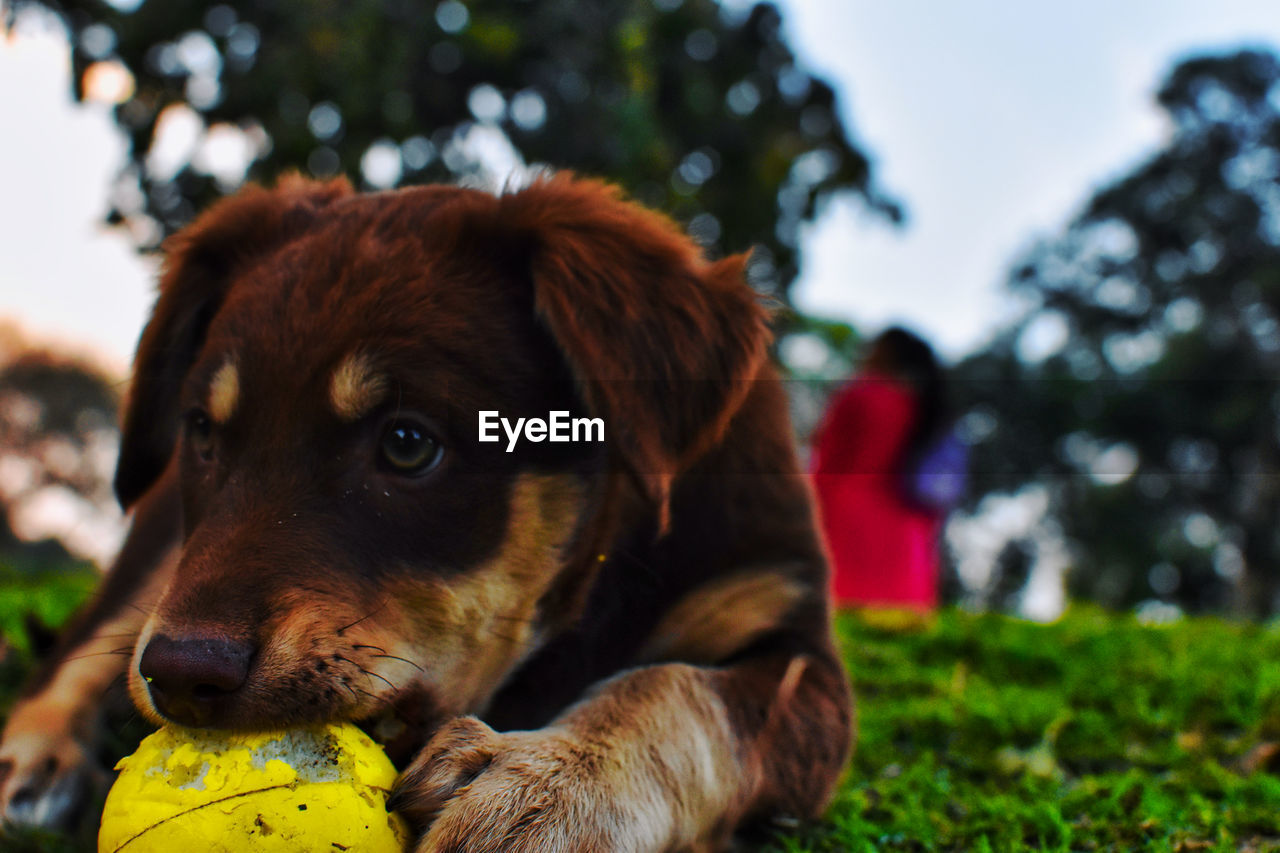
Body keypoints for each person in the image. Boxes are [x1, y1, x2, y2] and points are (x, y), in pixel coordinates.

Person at [810, 327, 961, 614]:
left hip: (846, 519)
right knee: (896, 627)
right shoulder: (925, 407)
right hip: (907, 535)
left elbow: (828, 462)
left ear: (886, 354)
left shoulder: (860, 393)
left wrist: (805, 510)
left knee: (835, 619)